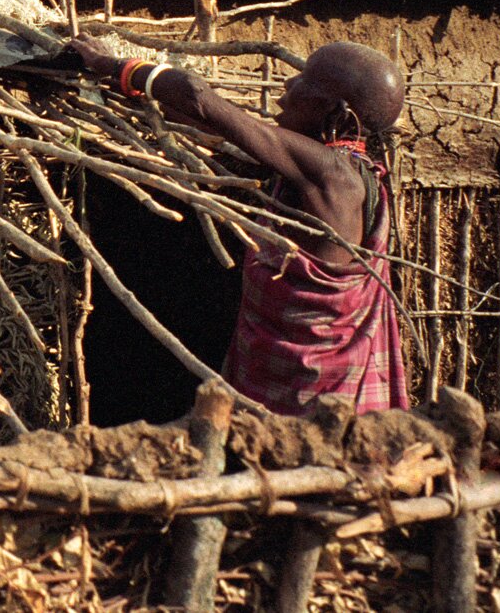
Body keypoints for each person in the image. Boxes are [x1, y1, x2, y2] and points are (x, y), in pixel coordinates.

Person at [69, 38, 409, 415]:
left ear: (337, 113)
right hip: (315, 378)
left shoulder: (330, 175)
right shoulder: (344, 175)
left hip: (311, 394)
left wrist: (110, 64)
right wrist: (142, 93)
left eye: (303, 83)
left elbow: (197, 96)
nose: (286, 88)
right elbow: (211, 121)